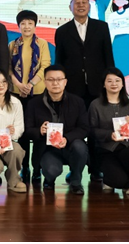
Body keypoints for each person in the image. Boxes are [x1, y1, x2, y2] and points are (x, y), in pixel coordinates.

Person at [54, 0, 114, 180]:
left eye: (84, 2)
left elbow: (108, 58)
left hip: (97, 89)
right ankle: (76, 170)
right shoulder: (62, 31)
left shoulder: (102, 27)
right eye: (77, 3)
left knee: (97, 131)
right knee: (75, 130)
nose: (81, 5)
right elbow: (59, 62)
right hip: (73, 91)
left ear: (89, 6)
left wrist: (109, 85)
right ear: (70, 7)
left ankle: (96, 169)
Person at [25, 65, 89, 195]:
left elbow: (84, 128)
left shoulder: (77, 102)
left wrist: (67, 139)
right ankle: (49, 179)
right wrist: (39, 131)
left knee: (80, 147)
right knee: (51, 170)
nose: (55, 83)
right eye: (51, 79)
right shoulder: (34, 103)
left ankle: (76, 181)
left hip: (70, 145)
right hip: (48, 149)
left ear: (65, 82)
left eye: (59, 79)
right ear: (45, 82)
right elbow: (27, 130)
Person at [8, 10, 51, 184]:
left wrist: (30, 84)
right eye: (23, 23)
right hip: (17, 93)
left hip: (37, 93)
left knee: (39, 132)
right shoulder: (12, 44)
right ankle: (24, 167)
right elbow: (8, 68)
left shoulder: (42, 44)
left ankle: (37, 168)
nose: (26, 27)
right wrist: (19, 85)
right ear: (18, 26)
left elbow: (45, 66)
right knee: (22, 133)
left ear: (35, 25)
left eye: (30, 23)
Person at [89, 68, 129, 195]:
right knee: (117, 181)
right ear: (104, 84)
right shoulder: (95, 105)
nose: (114, 84)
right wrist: (109, 135)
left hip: (126, 147)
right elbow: (91, 130)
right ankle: (111, 179)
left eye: (117, 80)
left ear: (123, 84)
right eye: (109, 81)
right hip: (106, 150)